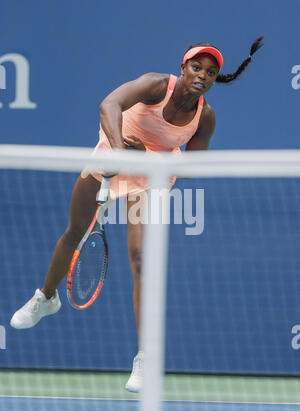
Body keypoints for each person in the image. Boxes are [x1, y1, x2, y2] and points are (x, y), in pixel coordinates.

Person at [10, 36, 264, 392]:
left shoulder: (204, 116)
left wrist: (145, 154)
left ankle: (145, 357)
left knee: (141, 258)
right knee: (75, 231)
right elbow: (109, 104)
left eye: (210, 72)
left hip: (150, 172)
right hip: (113, 151)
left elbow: (190, 168)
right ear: (183, 67)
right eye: (196, 67)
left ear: (214, 79)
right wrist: (118, 149)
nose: (202, 75)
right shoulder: (156, 85)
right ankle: (46, 298)